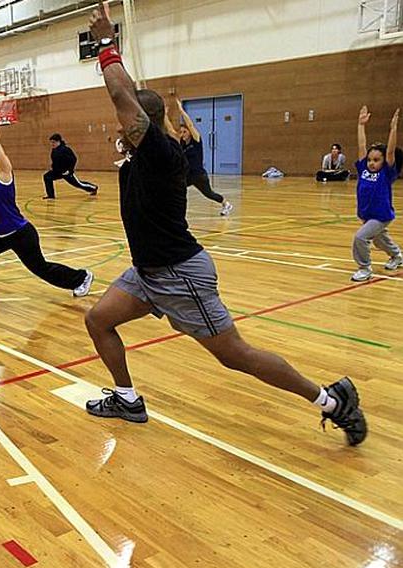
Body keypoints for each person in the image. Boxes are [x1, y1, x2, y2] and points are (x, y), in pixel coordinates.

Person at [81, 4, 366, 446]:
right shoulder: (138, 159)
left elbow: (123, 100)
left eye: (128, 122)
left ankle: (331, 400)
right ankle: (127, 398)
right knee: (99, 320)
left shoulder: (159, 153)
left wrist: (106, 44)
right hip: (148, 272)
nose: (120, 127)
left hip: (179, 274)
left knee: (237, 356)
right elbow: (129, 106)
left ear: (140, 124)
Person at [0, 90, 94, 312]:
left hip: (20, 234)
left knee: (42, 269)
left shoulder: (2, 170)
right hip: (0, 233)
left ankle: (81, 277)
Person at [350, 106, 401, 282]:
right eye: (370, 159)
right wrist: (360, 125)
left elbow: (390, 151)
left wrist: (393, 129)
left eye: (376, 160)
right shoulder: (363, 167)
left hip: (381, 215)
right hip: (367, 214)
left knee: (360, 237)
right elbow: (362, 145)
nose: (371, 163)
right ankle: (397, 256)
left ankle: (364, 268)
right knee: (380, 240)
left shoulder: (387, 172)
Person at [171, 99, 233, 216]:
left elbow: (190, 124)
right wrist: (164, 116)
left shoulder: (196, 140)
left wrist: (181, 111)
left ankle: (226, 204)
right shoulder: (182, 144)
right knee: (176, 188)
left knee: (209, 194)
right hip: (188, 175)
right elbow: (171, 131)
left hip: (199, 175)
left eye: (184, 132)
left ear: (189, 132)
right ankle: (175, 211)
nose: (182, 134)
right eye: (181, 132)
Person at [42, 133, 98, 199]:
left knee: (78, 184)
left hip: (66, 172)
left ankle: (93, 188)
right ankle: (51, 195)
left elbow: (74, 159)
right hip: (57, 172)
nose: (52, 144)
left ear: (58, 141)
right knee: (47, 176)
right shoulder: (54, 150)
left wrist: (70, 170)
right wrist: (53, 167)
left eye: (53, 142)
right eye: (51, 142)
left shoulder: (65, 149)